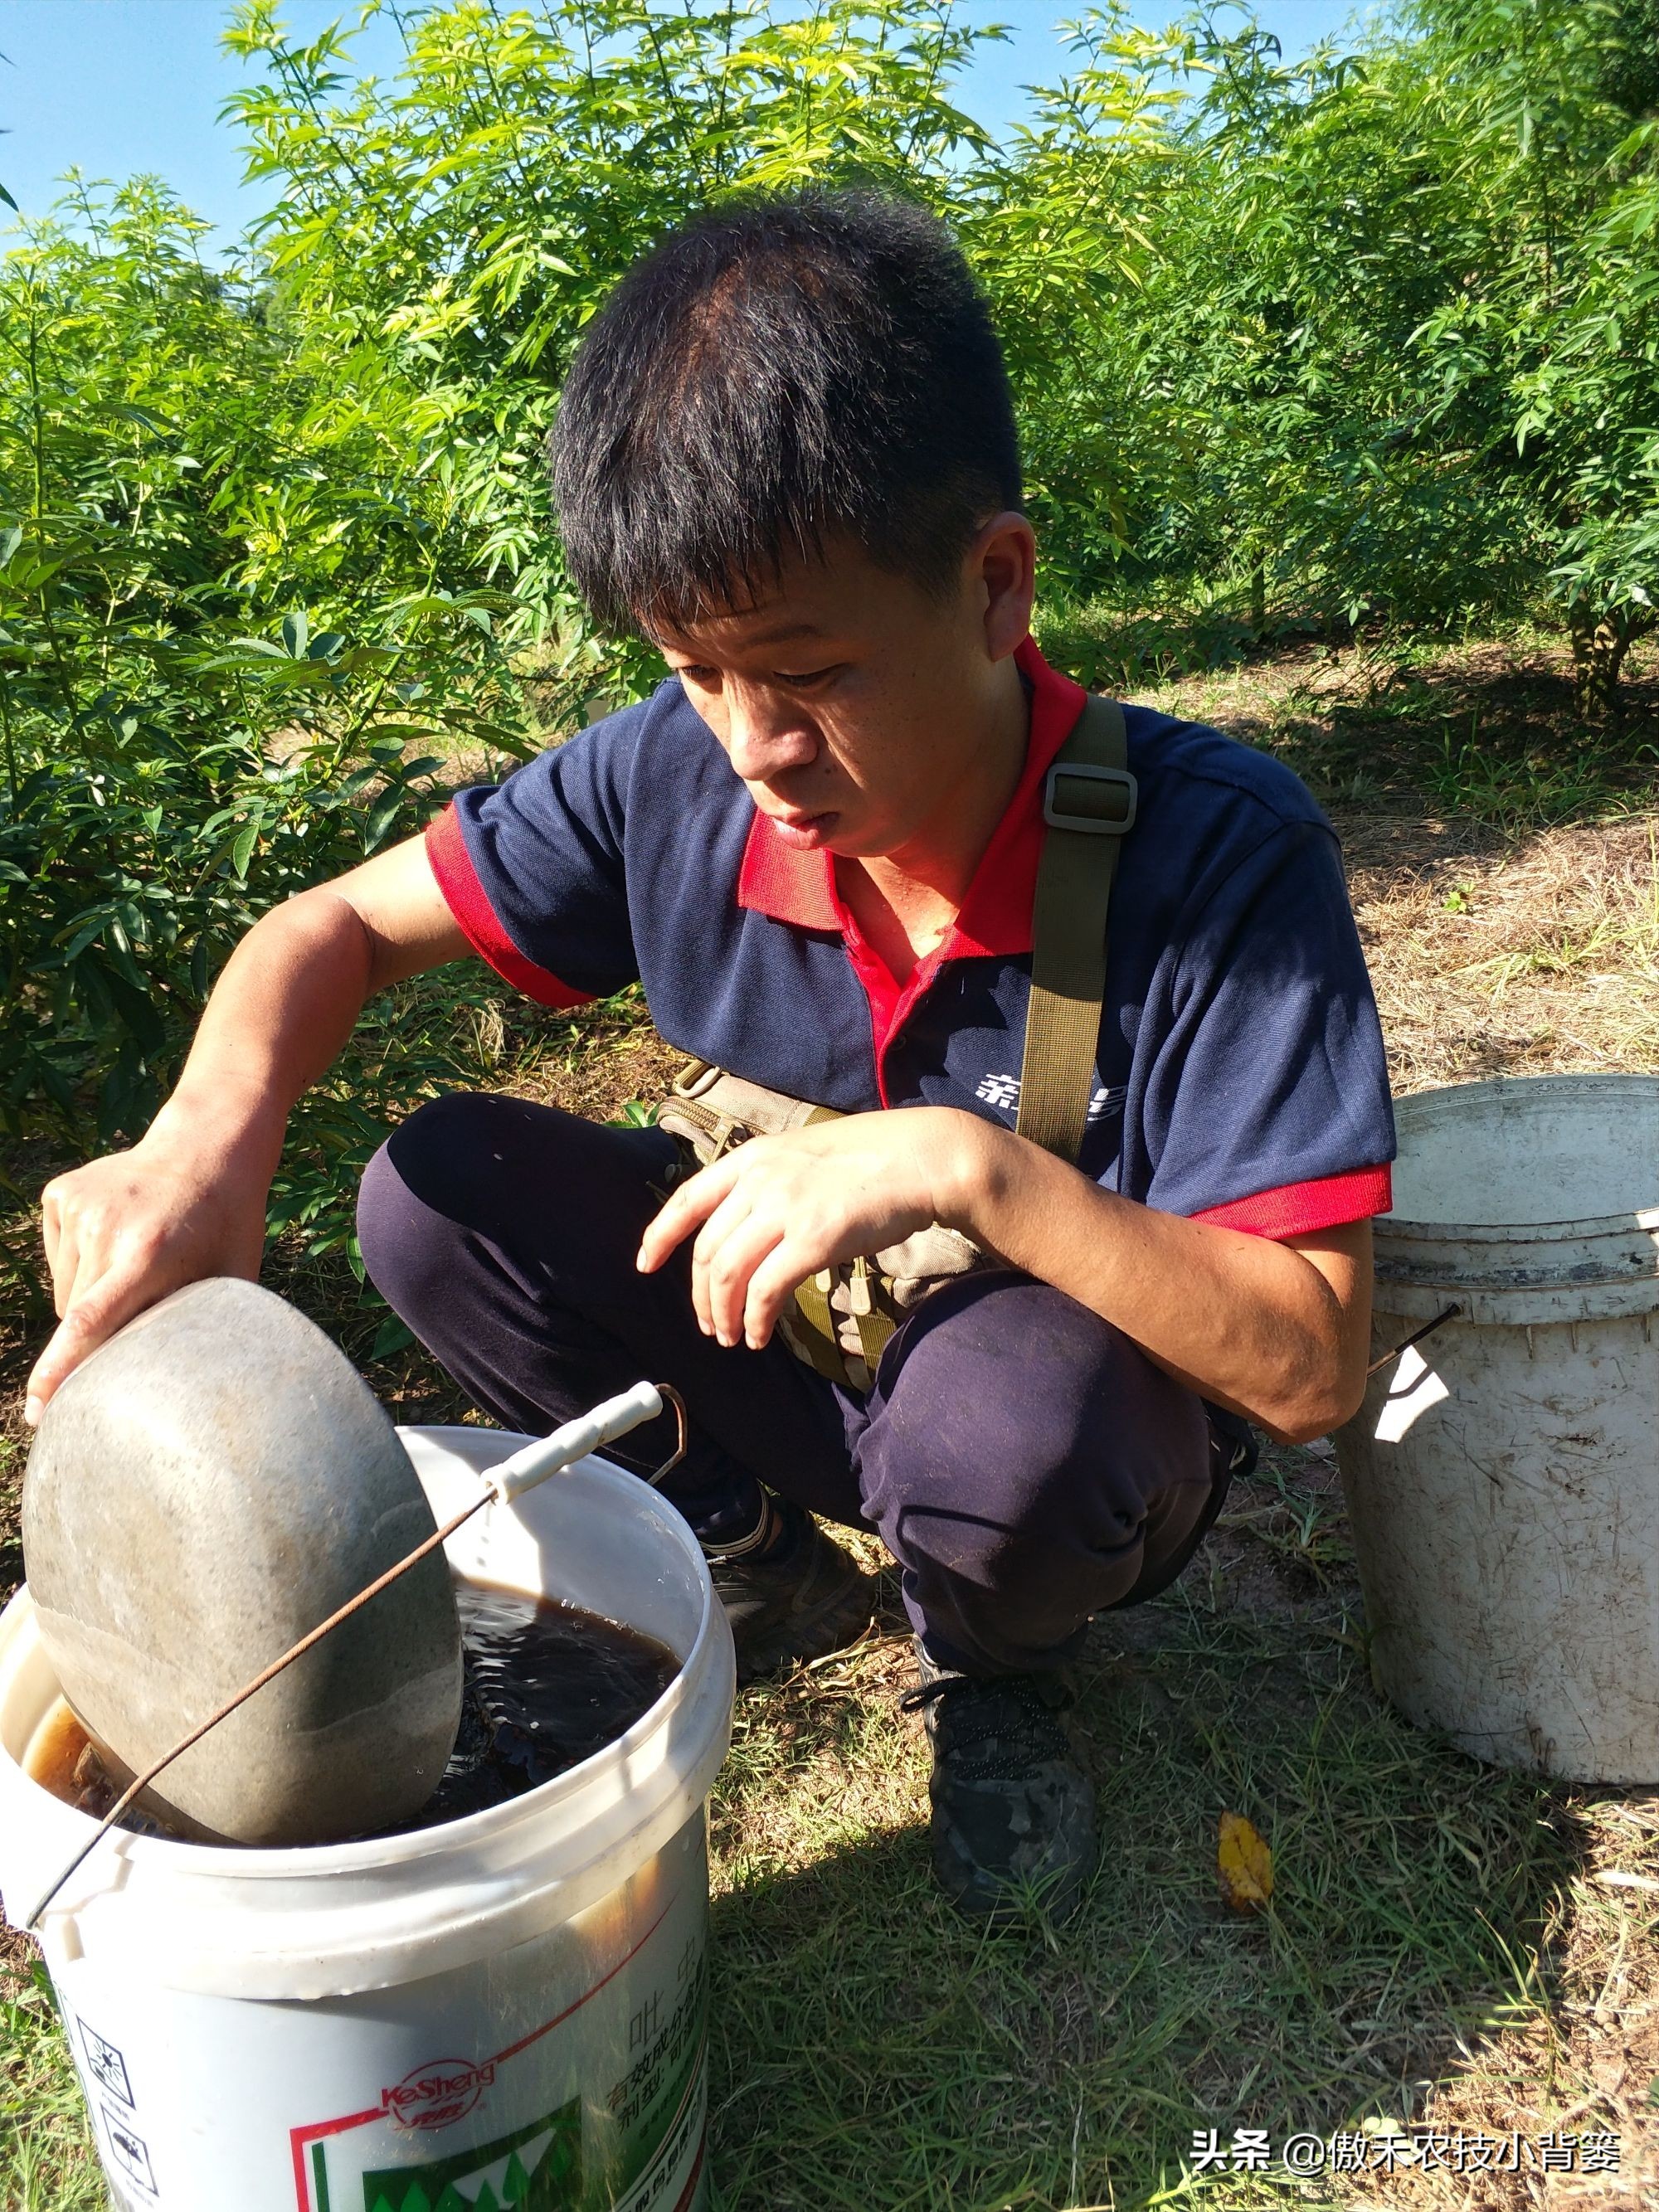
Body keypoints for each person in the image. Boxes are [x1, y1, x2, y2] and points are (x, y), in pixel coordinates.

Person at [26, 192, 1394, 1923]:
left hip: (1045, 1429)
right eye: (694, 671)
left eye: (810, 672)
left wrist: (966, 1166)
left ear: (996, 584)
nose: (755, 747)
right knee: (437, 1193)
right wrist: (202, 1136)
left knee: (1017, 1430)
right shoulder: (669, 780)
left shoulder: (1216, 857)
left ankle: (989, 1659)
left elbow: (1312, 1364)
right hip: (788, 1345)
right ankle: (749, 1553)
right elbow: (338, 927)